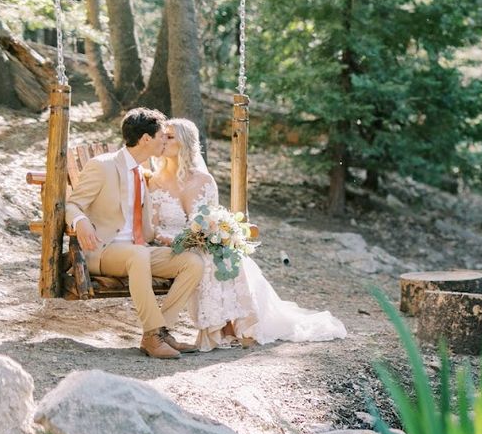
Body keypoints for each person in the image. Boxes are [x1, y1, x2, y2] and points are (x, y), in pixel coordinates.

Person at [148, 118, 347, 350]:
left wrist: (211, 234)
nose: (163, 140)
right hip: (174, 247)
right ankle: (219, 328)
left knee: (225, 256)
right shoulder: (154, 182)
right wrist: (174, 239)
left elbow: (212, 219)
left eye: (170, 137)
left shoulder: (205, 181)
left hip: (202, 243)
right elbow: (153, 227)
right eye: (163, 136)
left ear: (184, 142)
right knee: (207, 258)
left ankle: (236, 325)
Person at [65, 108, 202, 359]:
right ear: (146, 139)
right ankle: (152, 336)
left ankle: (162, 330)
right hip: (102, 250)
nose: (165, 140)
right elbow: (72, 204)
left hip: (137, 250)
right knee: (138, 255)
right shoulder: (102, 166)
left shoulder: (141, 172)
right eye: (162, 136)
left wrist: (176, 238)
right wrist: (81, 220)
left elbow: (147, 229)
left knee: (192, 262)